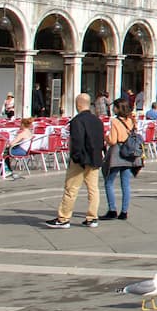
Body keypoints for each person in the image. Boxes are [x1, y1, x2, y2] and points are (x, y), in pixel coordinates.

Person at [44, 94, 106, 228]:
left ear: (78, 105)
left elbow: (76, 141)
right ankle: (92, 217)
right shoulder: (97, 120)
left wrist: (76, 157)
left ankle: (63, 218)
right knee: (93, 189)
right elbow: (101, 139)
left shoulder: (77, 121)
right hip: (94, 158)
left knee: (71, 189)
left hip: (81, 160)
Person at [102, 99, 141, 220]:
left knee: (109, 182)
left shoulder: (115, 121)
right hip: (129, 154)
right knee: (125, 184)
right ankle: (124, 212)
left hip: (118, 153)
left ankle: (112, 209)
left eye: (115, 107)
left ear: (119, 108)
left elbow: (113, 140)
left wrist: (106, 138)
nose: (113, 109)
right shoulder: (131, 120)